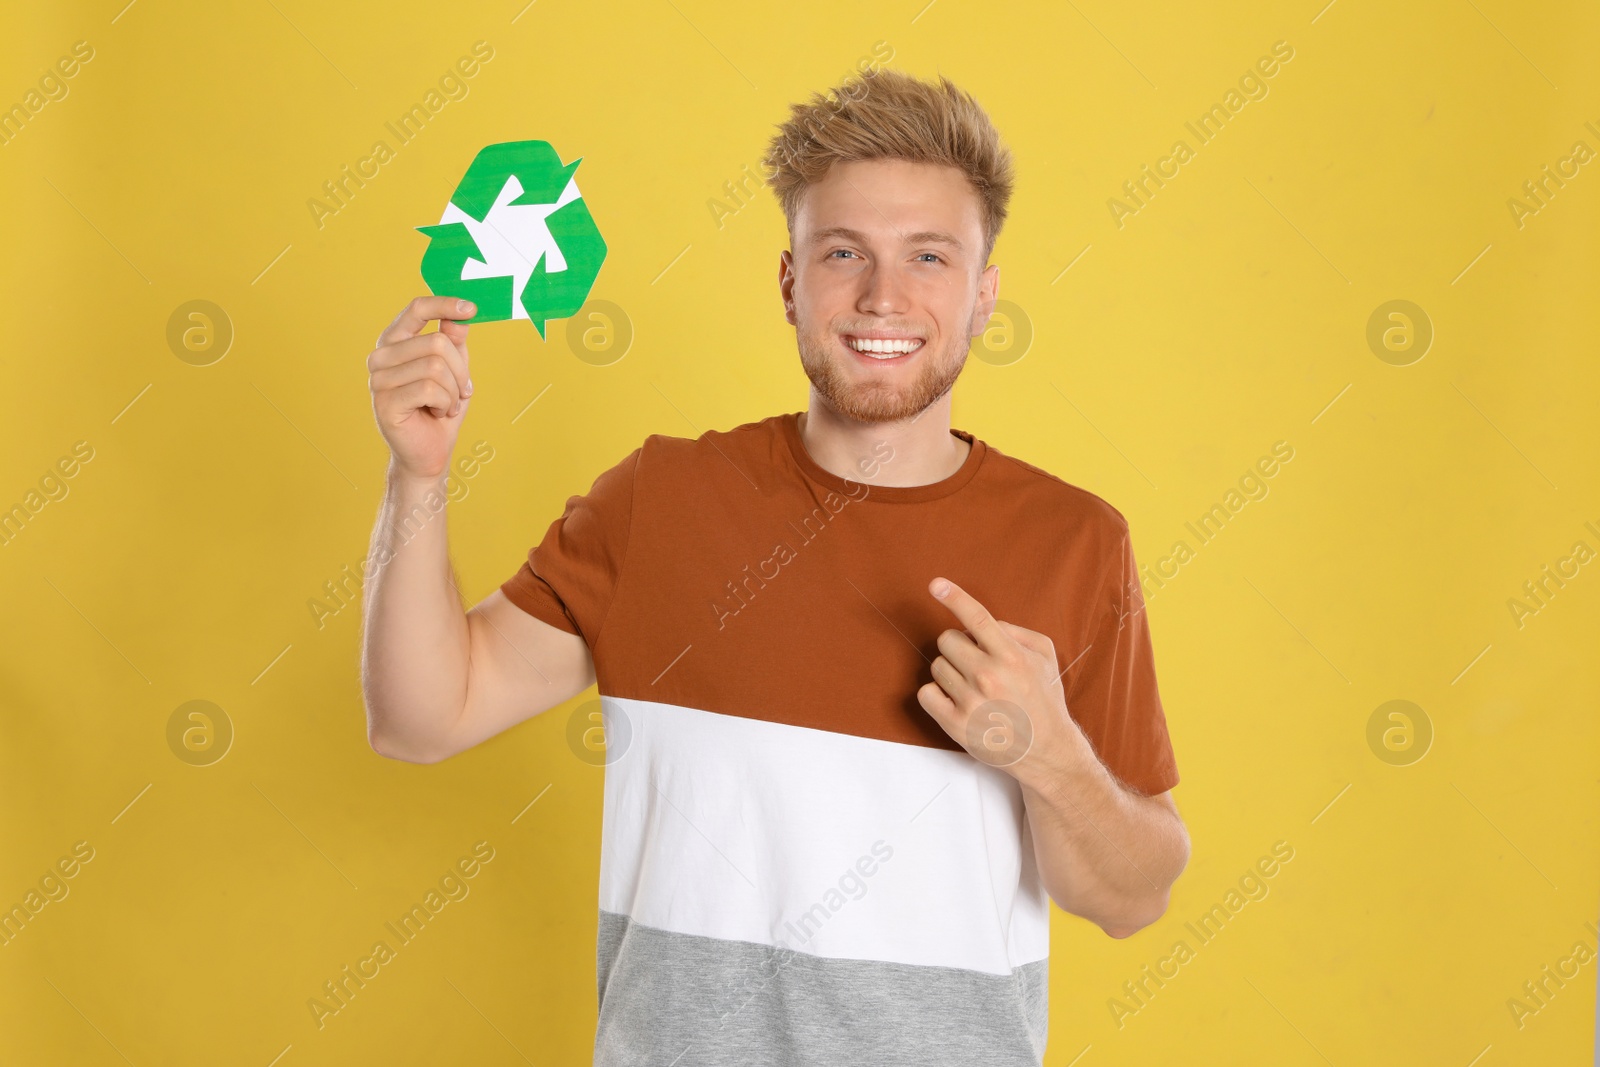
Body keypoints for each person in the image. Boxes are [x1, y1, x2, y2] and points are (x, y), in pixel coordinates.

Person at [361, 67, 1188, 1067]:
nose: (883, 295)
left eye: (928, 256)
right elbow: (419, 716)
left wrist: (1047, 752)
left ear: (981, 295)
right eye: (843, 252)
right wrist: (418, 476)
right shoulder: (656, 501)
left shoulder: (1074, 541)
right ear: (791, 280)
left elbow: (1131, 895)